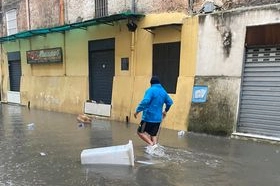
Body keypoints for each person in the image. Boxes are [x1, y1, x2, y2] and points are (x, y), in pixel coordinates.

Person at [134, 76, 173, 154]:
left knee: (140, 132)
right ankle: (154, 148)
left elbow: (145, 101)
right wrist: (165, 111)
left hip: (148, 117)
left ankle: (151, 144)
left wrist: (137, 111)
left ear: (151, 83)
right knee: (153, 134)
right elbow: (169, 102)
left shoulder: (150, 90)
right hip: (158, 119)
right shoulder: (163, 92)